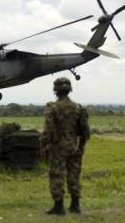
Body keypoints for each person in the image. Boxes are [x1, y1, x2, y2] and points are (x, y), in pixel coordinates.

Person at [40, 77, 90, 215]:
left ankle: (59, 206)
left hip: (57, 148)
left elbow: (48, 129)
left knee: (57, 175)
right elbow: (85, 131)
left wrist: (43, 145)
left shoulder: (53, 108)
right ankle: (75, 205)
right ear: (69, 89)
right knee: (74, 174)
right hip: (74, 147)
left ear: (55, 90)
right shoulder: (78, 108)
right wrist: (81, 147)